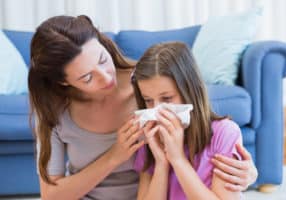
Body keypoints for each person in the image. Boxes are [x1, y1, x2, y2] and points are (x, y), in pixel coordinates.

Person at [28, 15, 257, 200]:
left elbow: (204, 125)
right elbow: (51, 195)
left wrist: (248, 173)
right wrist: (114, 156)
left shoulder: (147, 82)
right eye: (87, 77)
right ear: (63, 82)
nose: (106, 77)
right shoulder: (52, 110)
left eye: (102, 59)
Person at [131, 41, 250, 200]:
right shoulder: (149, 139)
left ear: (190, 91)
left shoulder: (224, 133)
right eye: (148, 100)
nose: (157, 110)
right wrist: (161, 164)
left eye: (166, 98)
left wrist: (178, 159)